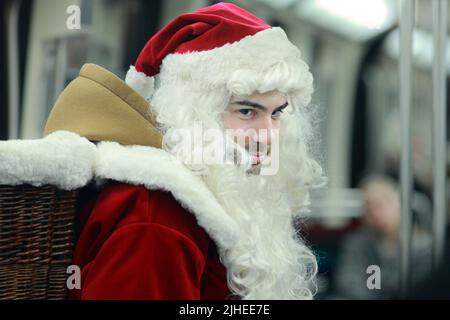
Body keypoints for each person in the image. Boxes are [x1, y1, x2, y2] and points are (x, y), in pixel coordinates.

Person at [44, 2, 325, 300]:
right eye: (246, 112)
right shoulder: (155, 220)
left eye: (277, 114)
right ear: (194, 116)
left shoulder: (206, 202)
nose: (267, 136)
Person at [332, 175, 432, 299]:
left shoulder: (426, 247)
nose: (376, 213)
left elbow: (419, 288)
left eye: (383, 203)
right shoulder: (357, 243)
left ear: (401, 202)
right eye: (369, 207)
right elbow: (347, 282)